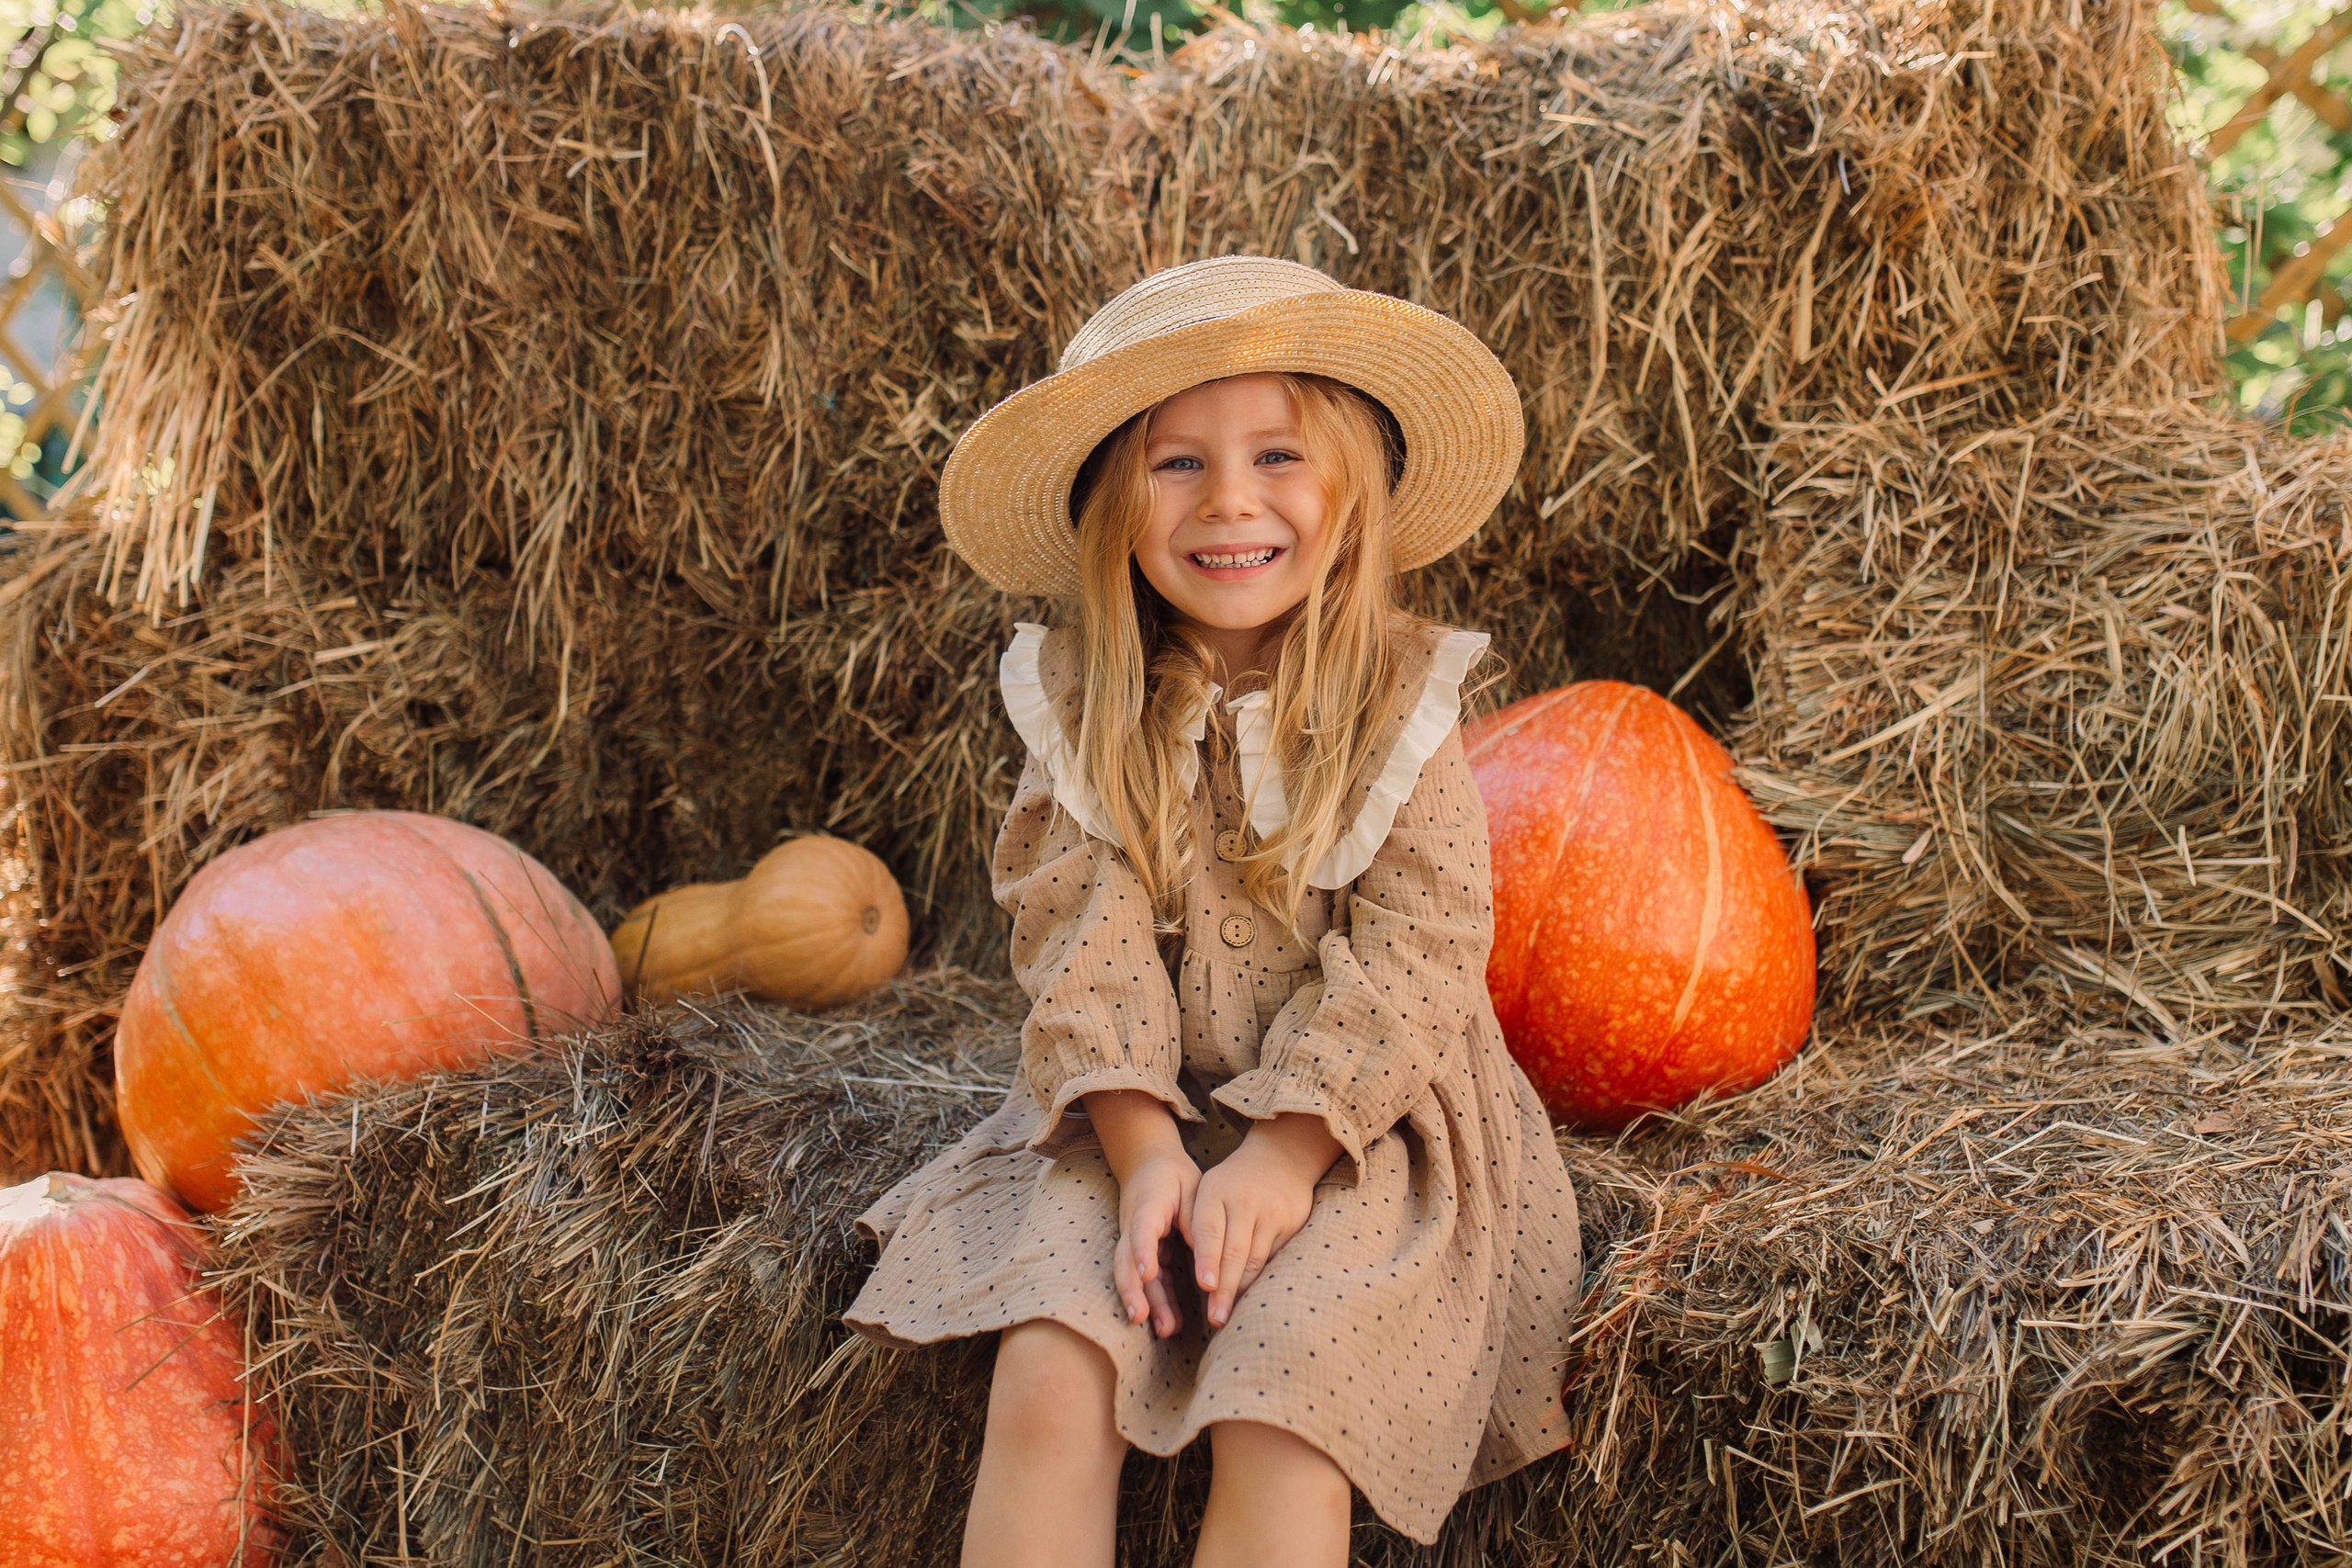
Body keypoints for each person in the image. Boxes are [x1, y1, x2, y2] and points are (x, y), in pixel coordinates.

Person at [845, 255, 1582, 1567]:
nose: (1230, 500)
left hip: (1362, 1123)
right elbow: (1082, 952)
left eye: (1277, 455)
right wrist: (1145, 1157)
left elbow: (1419, 956)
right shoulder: (1084, 709)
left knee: (1283, 1407)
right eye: (1176, 464)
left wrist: (1283, 1157)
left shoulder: (1399, 703)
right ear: (1113, 508)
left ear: (1353, 488)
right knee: (1053, 1373)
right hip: (1140, 1099)